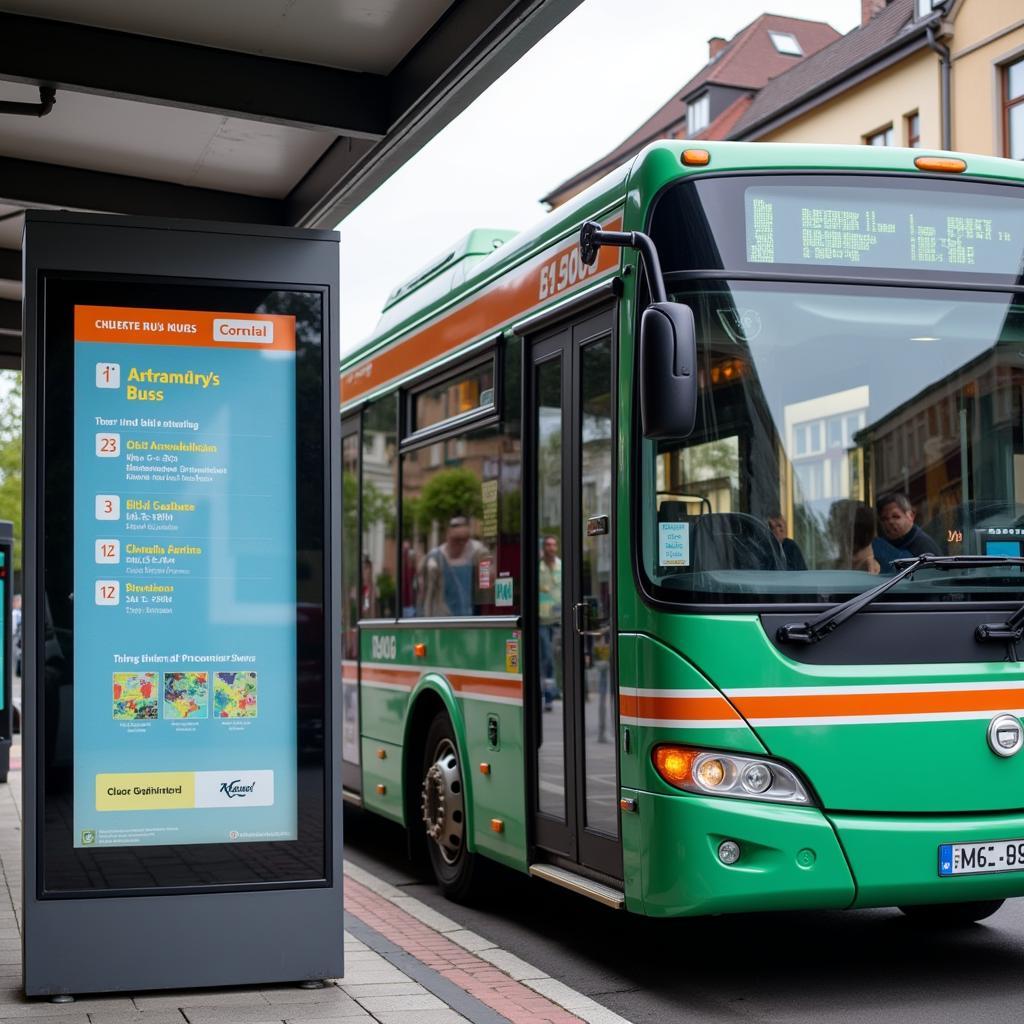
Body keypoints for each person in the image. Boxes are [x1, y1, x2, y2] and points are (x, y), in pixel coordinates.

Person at [418, 516, 488, 617]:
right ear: (448, 537)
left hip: (470, 620)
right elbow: (427, 597)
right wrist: (425, 624)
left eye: (464, 540)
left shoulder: (476, 552)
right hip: (445, 620)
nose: (460, 545)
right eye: (456, 540)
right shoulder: (435, 560)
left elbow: (486, 584)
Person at [873, 491, 939, 573]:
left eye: (896, 516)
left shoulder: (924, 547)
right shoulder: (880, 545)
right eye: (884, 519)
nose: (890, 522)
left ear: (910, 516)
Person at [538, 535, 561, 711]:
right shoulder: (539, 568)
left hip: (560, 620)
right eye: (548, 545)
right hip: (543, 620)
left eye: (553, 545)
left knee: (556, 657)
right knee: (547, 657)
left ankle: (554, 691)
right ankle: (549, 695)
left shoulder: (561, 566)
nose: (550, 548)